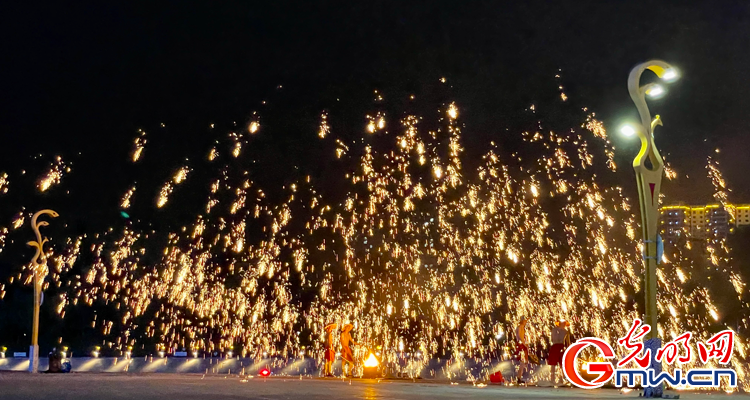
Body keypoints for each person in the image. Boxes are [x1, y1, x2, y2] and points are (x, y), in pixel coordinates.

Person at [548, 319, 571, 386]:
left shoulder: (565, 331)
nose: (563, 324)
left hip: (561, 346)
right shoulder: (555, 330)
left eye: (564, 323)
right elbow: (552, 339)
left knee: (561, 364)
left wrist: (568, 348)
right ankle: (552, 379)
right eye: (563, 323)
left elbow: (568, 341)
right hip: (556, 346)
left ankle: (561, 379)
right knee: (553, 364)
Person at [514, 316, 530, 384]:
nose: (525, 322)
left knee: (522, 362)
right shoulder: (520, 327)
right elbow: (519, 337)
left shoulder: (521, 327)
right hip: (521, 345)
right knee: (522, 362)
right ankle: (519, 377)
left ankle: (519, 377)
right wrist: (524, 344)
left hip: (521, 345)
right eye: (525, 321)